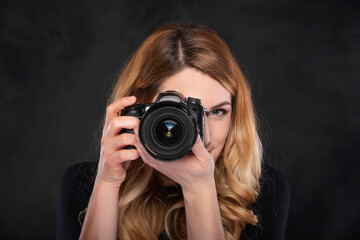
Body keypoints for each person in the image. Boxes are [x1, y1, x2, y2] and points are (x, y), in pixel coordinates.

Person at [57, 23, 290, 240]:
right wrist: (107, 184)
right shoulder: (85, 184)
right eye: (184, 113)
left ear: (236, 115)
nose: (203, 135)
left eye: (218, 112)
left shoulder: (262, 192)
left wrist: (199, 188)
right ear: (140, 111)